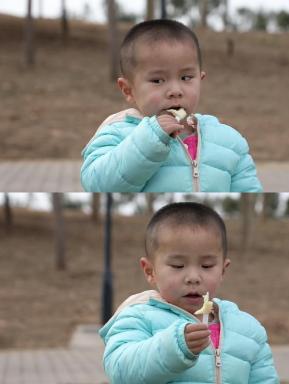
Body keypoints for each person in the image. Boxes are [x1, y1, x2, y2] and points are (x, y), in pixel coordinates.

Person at [99, 202, 278, 383]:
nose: (193, 277)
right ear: (150, 271)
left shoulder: (248, 329)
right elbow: (120, 370)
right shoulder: (138, 316)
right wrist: (174, 346)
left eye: (207, 266)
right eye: (178, 266)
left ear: (223, 270)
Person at [81, 19, 262, 192]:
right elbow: (96, 184)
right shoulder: (118, 132)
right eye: (158, 80)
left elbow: (249, 189)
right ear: (128, 90)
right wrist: (151, 139)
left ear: (200, 79)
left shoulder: (229, 140)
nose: (175, 90)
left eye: (186, 78)